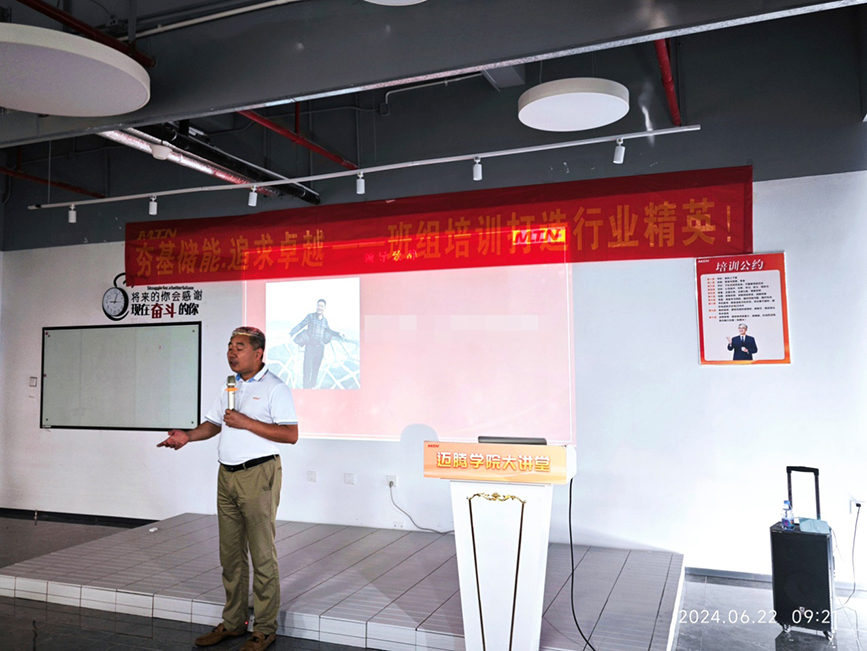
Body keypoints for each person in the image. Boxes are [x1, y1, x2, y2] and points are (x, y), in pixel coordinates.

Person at [157, 326, 298, 651]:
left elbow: (290, 434)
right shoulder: (229, 385)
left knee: (262, 555)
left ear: (258, 353)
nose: (232, 352)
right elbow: (215, 423)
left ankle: (264, 629)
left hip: (258, 474)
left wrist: (247, 422)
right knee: (231, 555)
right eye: (230, 346)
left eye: (240, 347)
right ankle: (234, 622)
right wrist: (188, 436)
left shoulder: (276, 388)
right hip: (227, 476)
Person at [290, 299, 344, 389]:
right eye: (318, 305)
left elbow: (329, 330)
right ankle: (306, 389)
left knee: (315, 370)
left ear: (324, 308)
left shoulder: (325, 321)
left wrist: (339, 334)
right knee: (307, 370)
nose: (319, 308)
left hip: (320, 349)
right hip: (310, 347)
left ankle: (312, 388)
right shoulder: (310, 316)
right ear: (316, 306)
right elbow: (301, 325)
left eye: (322, 306)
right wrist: (291, 333)